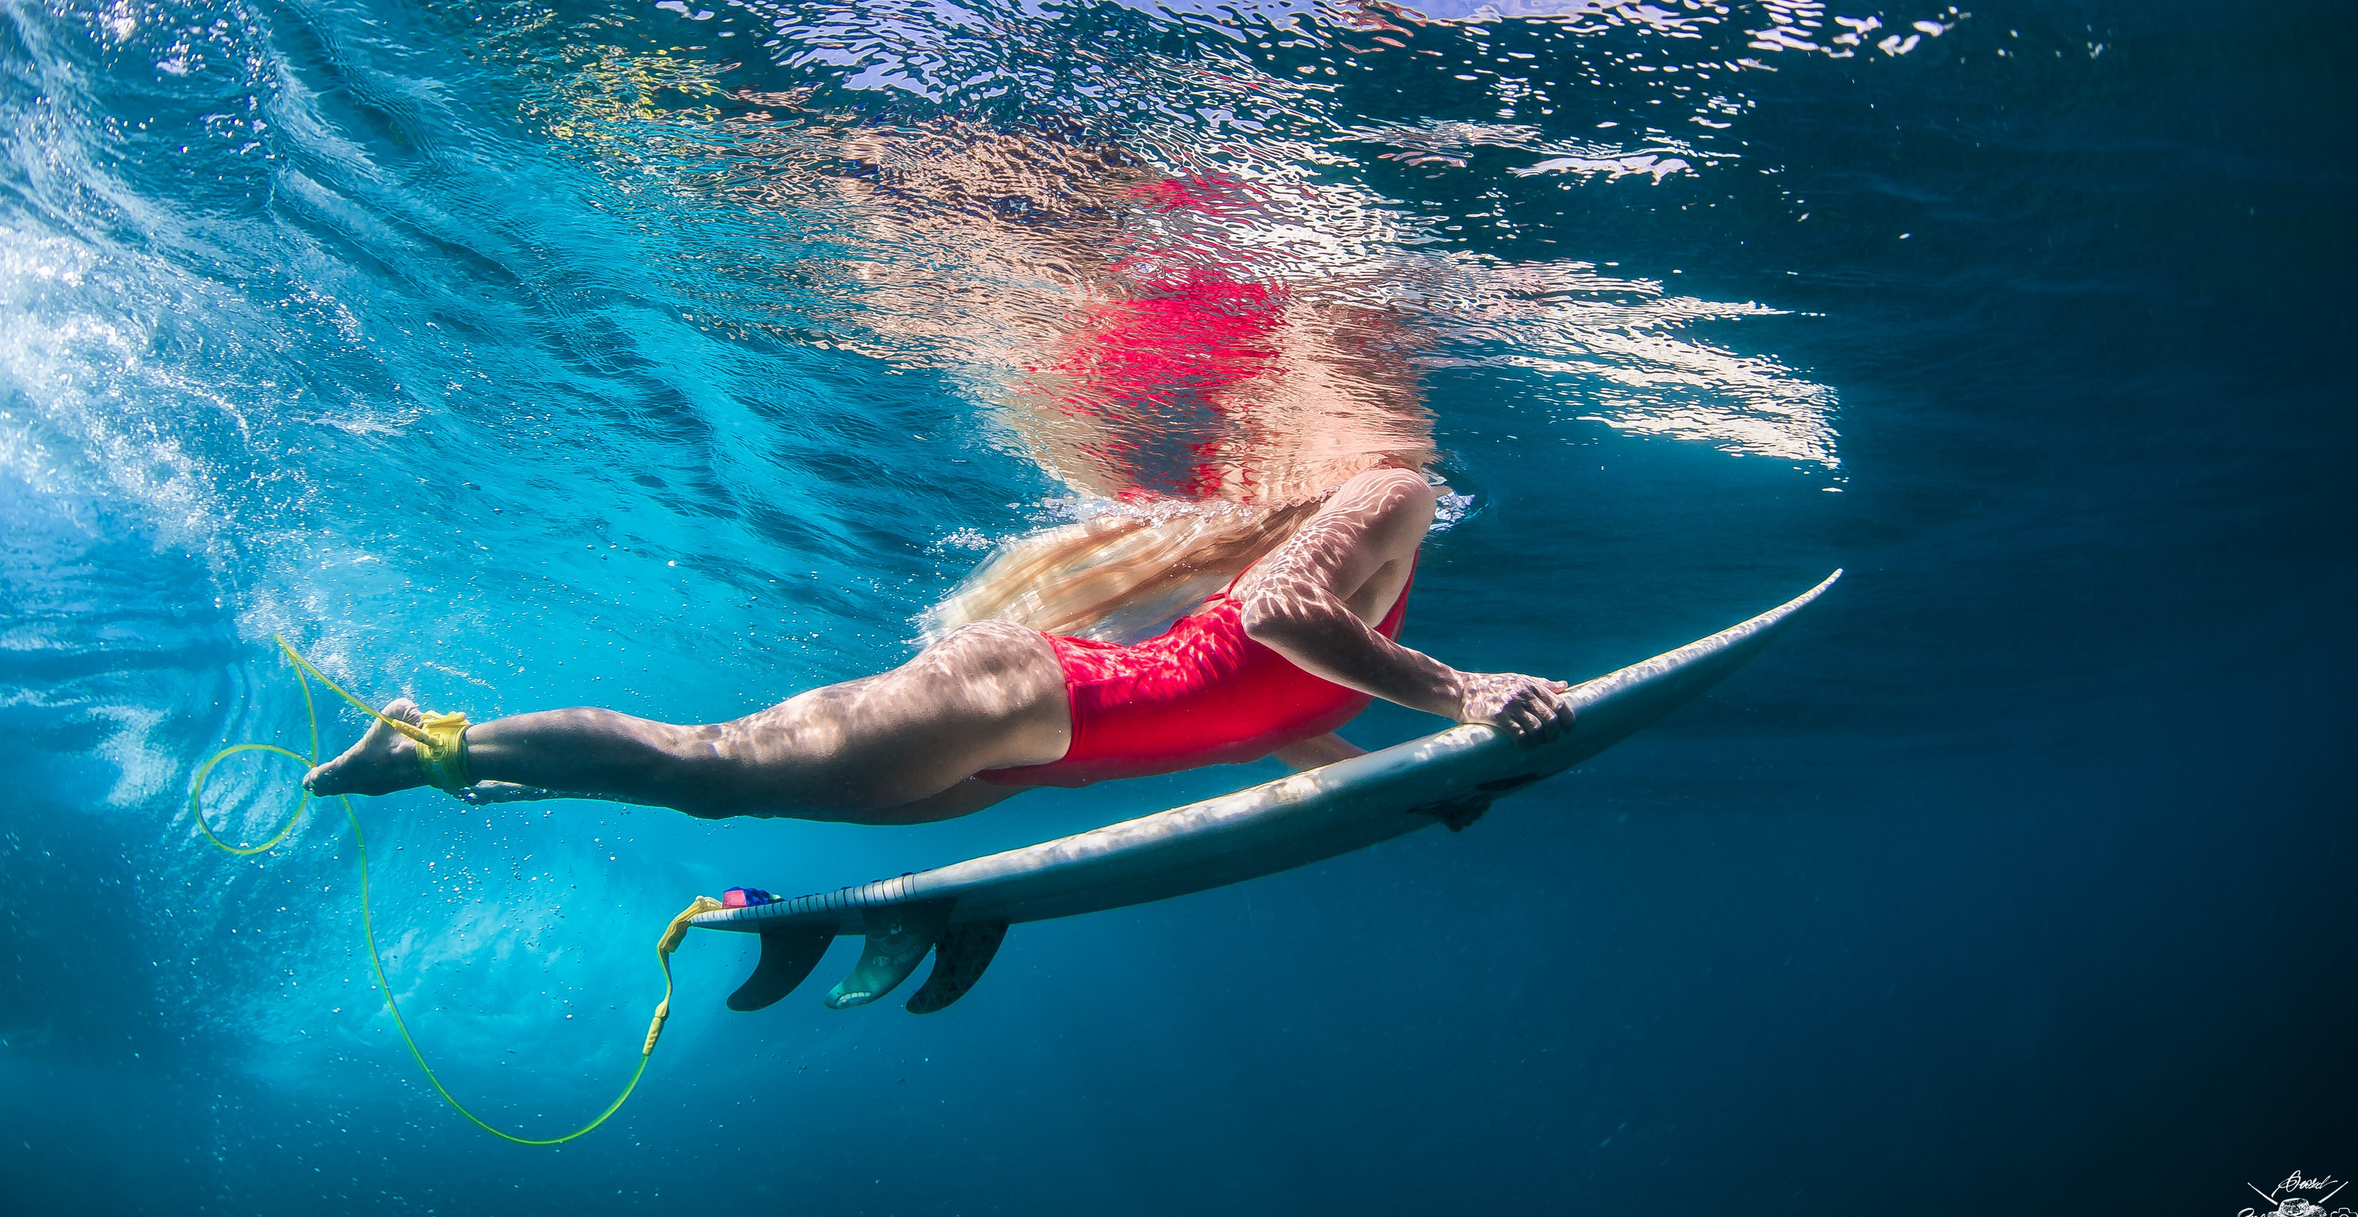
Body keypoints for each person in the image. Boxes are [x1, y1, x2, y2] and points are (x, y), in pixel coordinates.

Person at [302, 458, 1570, 822]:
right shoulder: (1395, 485)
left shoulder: (1362, 617)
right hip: (1013, 703)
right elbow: (1277, 615)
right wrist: (1462, 695)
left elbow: (1269, 716)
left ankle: (456, 768)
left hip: (1021, 765)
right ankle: (428, 743)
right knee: (707, 769)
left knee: (705, 795)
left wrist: (1411, 789)